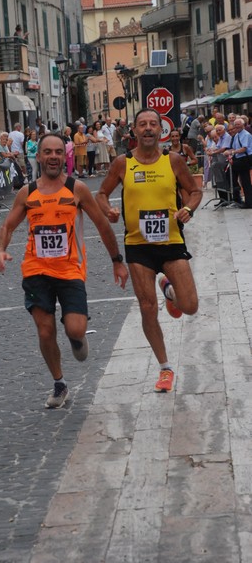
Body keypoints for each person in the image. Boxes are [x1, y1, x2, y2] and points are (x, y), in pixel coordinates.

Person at [0, 133, 128, 409]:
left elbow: (102, 225)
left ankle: (76, 338)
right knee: (45, 331)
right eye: (47, 152)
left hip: (70, 270)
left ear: (62, 156)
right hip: (36, 270)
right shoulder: (27, 193)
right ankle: (59, 383)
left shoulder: (76, 189)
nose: (53, 157)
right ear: (39, 157)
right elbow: (6, 226)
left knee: (76, 329)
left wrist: (116, 260)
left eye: (58, 152)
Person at [96, 108, 202, 394]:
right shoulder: (123, 163)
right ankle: (165, 368)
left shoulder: (174, 160)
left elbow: (195, 192)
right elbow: (101, 194)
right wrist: (109, 210)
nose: (148, 129)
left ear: (161, 130)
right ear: (134, 130)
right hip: (138, 245)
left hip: (170, 243)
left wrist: (188, 209)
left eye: (153, 124)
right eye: (142, 124)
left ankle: (169, 290)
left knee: (190, 305)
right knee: (147, 307)